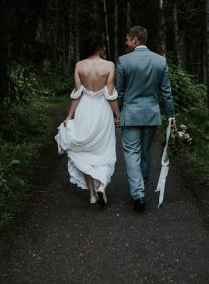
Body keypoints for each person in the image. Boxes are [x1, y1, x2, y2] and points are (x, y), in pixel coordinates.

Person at [116, 25, 176, 212]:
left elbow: (120, 92)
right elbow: (166, 92)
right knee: (146, 154)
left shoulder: (123, 61)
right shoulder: (160, 61)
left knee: (132, 154)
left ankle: (138, 194)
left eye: (127, 39)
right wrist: (171, 116)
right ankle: (141, 187)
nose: (126, 42)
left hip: (131, 115)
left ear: (135, 40)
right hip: (151, 116)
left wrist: (116, 114)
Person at [57, 33, 120, 205]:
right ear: (99, 47)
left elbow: (77, 95)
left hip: (85, 110)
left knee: (85, 152)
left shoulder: (79, 65)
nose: (105, 49)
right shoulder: (108, 65)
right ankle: (102, 186)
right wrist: (118, 115)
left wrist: (69, 117)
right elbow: (110, 95)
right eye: (104, 46)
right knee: (104, 151)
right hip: (102, 111)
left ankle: (92, 194)